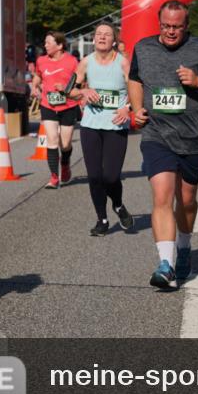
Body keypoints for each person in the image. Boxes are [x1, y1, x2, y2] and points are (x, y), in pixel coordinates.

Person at [128, 0, 198, 289]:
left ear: (186, 26)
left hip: (193, 136)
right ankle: (165, 263)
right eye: (166, 26)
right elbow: (135, 79)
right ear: (159, 23)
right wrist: (137, 109)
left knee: (185, 201)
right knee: (162, 194)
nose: (171, 32)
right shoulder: (144, 48)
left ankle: (184, 246)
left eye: (177, 27)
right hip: (157, 134)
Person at [71, 23, 135, 236]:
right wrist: (84, 91)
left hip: (116, 125)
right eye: (98, 34)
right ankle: (102, 219)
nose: (101, 37)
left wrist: (128, 108)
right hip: (90, 125)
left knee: (111, 176)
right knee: (94, 176)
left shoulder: (123, 63)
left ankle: (118, 205)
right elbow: (69, 90)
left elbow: (137, 90)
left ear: (114, 40)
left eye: (106, 34)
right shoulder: (85, 62)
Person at [31, 31, 81, 188]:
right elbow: (38, 76)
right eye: (45, 42)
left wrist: (66, 89)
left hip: (68, 106)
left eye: (48, 42)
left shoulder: (72, 62)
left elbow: (79, 83)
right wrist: (34, 87)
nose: (45, 45)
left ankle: (65, 164)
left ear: (59, 45)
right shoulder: (41, 61)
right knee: (52, 139)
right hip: (48, 105)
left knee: (65, 144)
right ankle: (54, 177)